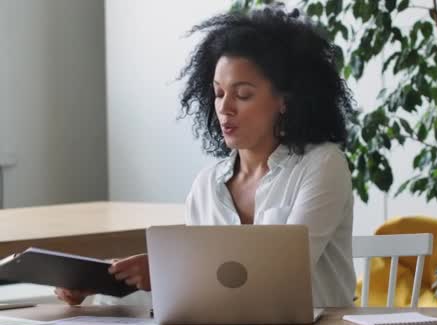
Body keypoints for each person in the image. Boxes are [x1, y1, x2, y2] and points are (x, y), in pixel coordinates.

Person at [55, 6, 357, 308]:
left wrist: (164, 269)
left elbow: (287, 272)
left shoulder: (323, 165)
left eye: (243, 95)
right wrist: (102, 282)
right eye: (218, 93)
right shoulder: (207, 185)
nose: (225, 108)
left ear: (285, 101)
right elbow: (206, 290)